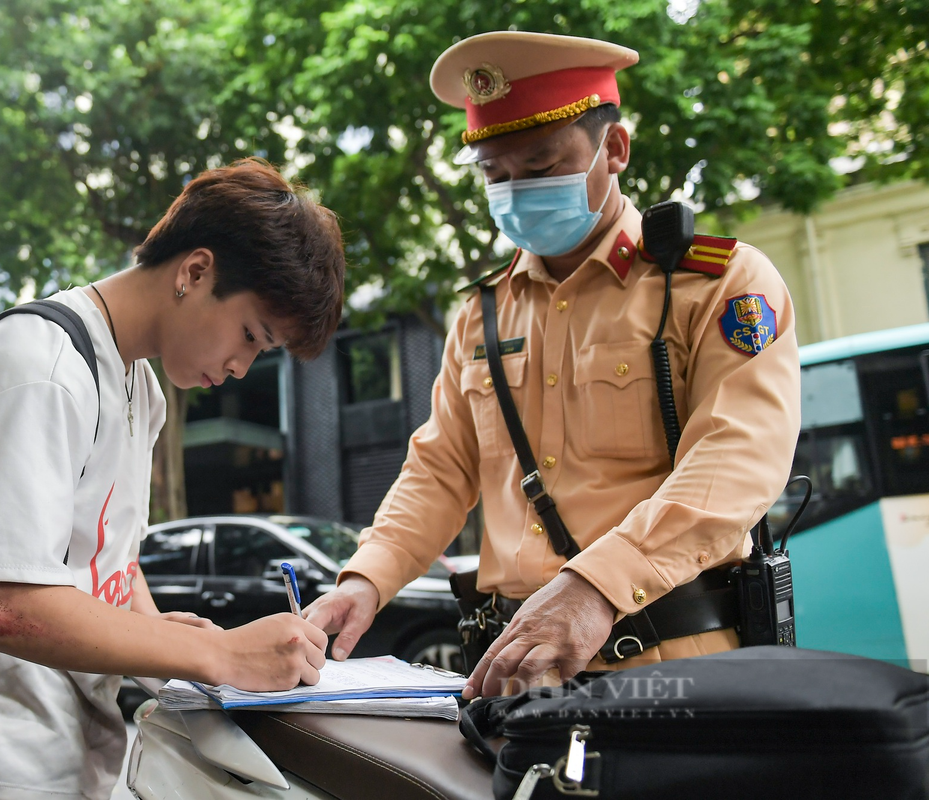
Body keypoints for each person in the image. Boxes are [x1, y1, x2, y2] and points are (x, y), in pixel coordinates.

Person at [305, 32, 801, 700]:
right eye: (494, 176)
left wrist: (596, 585)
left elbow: (738, 460)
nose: (516, 193)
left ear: (615, 149)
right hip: (517, 675)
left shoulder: (714, 283)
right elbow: (440, 469)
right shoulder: (482, 315)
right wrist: (366, 578)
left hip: (674, 666)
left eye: (540, 168)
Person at [0, 159, 345, 800]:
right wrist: (216, 657)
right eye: (250, 335)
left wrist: (166, 638)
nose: (243, 366)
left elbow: (113, 557)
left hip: (68, 755)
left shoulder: (139, 384)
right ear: (195, 272)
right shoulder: (40, 367)